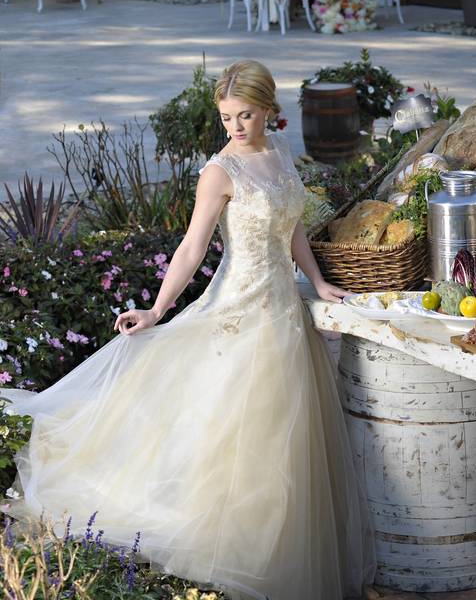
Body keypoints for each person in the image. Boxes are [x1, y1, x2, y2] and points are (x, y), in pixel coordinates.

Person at [0, 60, 377, 599]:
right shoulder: (220, 171)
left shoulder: (279, 154)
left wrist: (315, 281)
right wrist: (157, 310)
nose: (235, 127)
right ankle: (227, 547)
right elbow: (192, 247)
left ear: (269, 110)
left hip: (284, 313)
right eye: (226, 118)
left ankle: (270, 549)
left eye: (245, 115)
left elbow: (291, 227)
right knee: (232, 430)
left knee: (282, 442)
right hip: (238, 311)